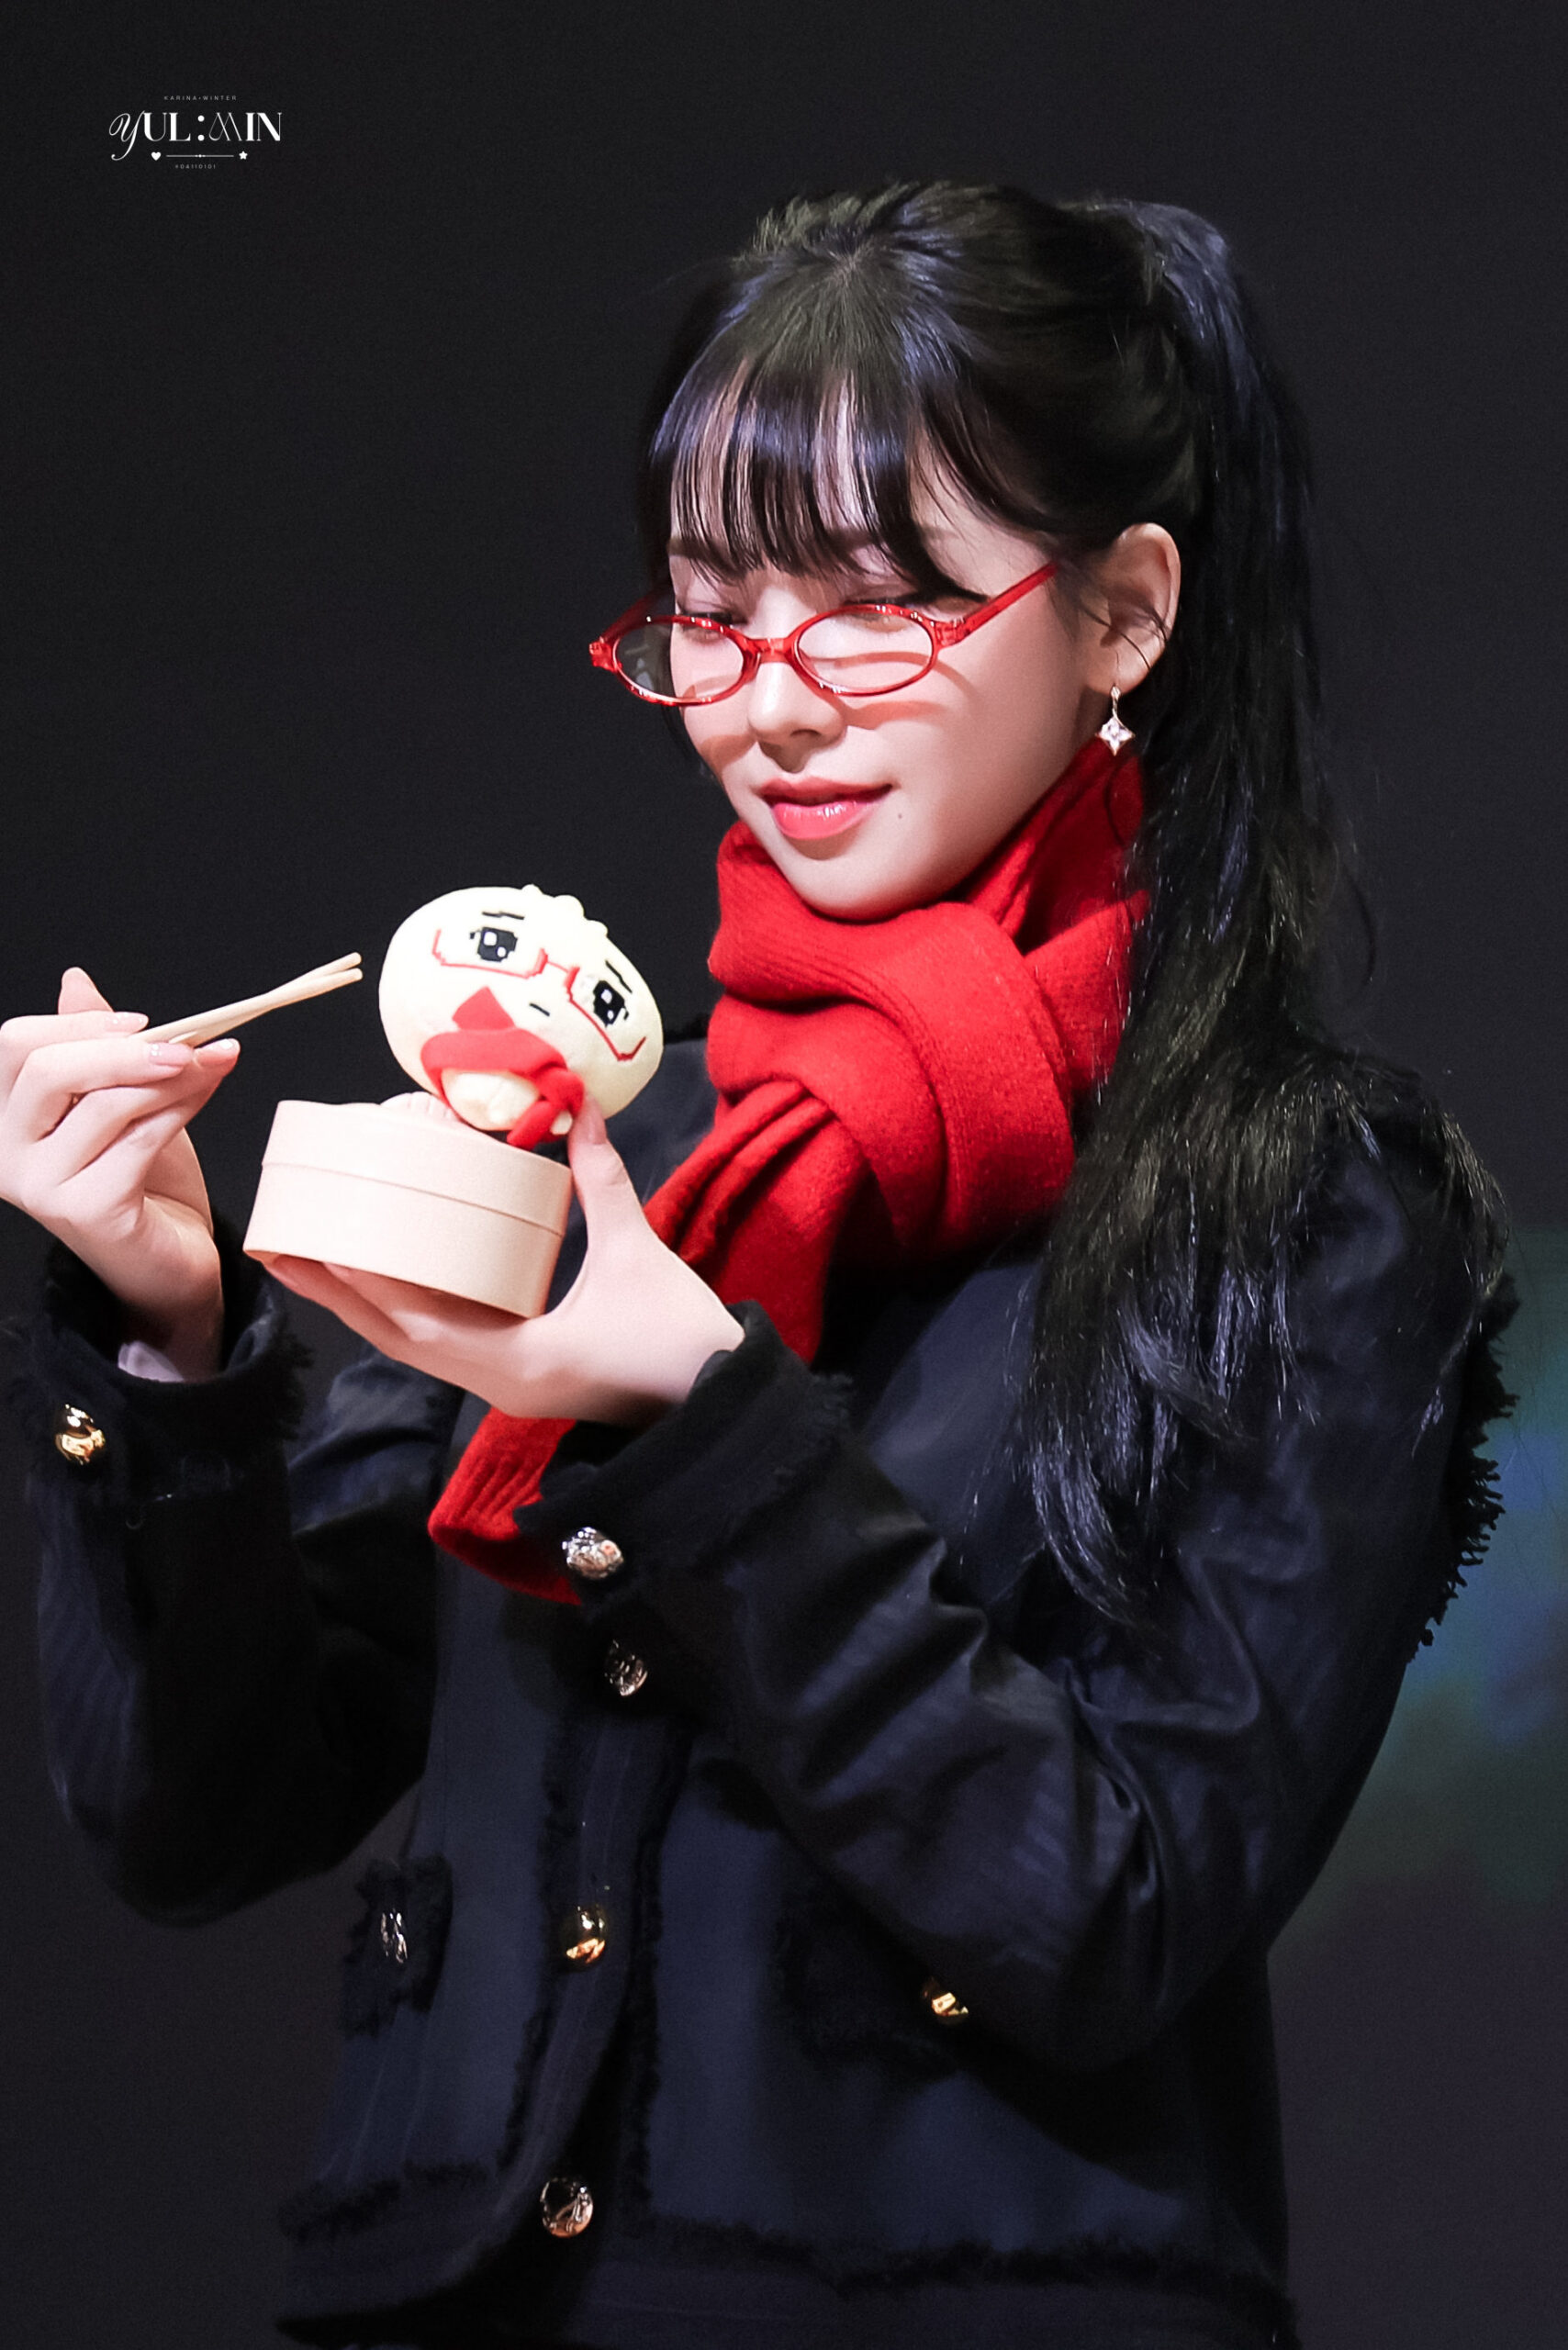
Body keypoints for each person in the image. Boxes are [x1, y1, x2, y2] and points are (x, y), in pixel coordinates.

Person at [1, 183, 1514, 2350]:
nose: (766, 708)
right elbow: (205, 1814)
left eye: (877, 607)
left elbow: (1107, 1906)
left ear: (1119, 612)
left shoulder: (1305, 1201)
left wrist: (702, 1427)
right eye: (708, 614)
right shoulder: (623, 1140)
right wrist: (168, 1346)